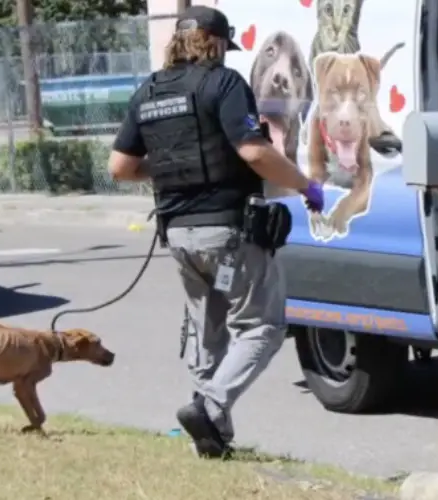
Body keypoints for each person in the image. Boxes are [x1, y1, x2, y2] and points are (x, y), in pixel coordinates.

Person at [107, 5, 324, 459]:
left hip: (180, 237)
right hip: (228, 230)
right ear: (217, 42)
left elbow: (121, 168)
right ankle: (210, 406)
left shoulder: (148, 91)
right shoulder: (223, 84)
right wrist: (306, 185)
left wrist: (171, 167)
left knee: (207, 333)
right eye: (226, 44)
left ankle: (210, 439)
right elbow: (254, 152)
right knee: (263, 325)